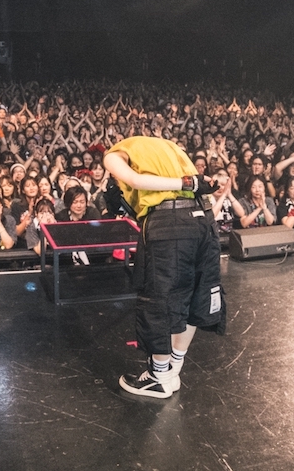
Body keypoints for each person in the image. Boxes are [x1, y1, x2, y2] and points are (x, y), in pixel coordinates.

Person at [104, 135, 224, 399]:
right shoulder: (170, 149)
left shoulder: (114, 153)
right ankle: (173, 371)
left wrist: (187, 183)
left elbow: (135, 180)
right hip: (203, 221)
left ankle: (158, 378)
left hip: (169, 223)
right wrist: (191, 183)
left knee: (159, 300)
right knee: (194, 296)